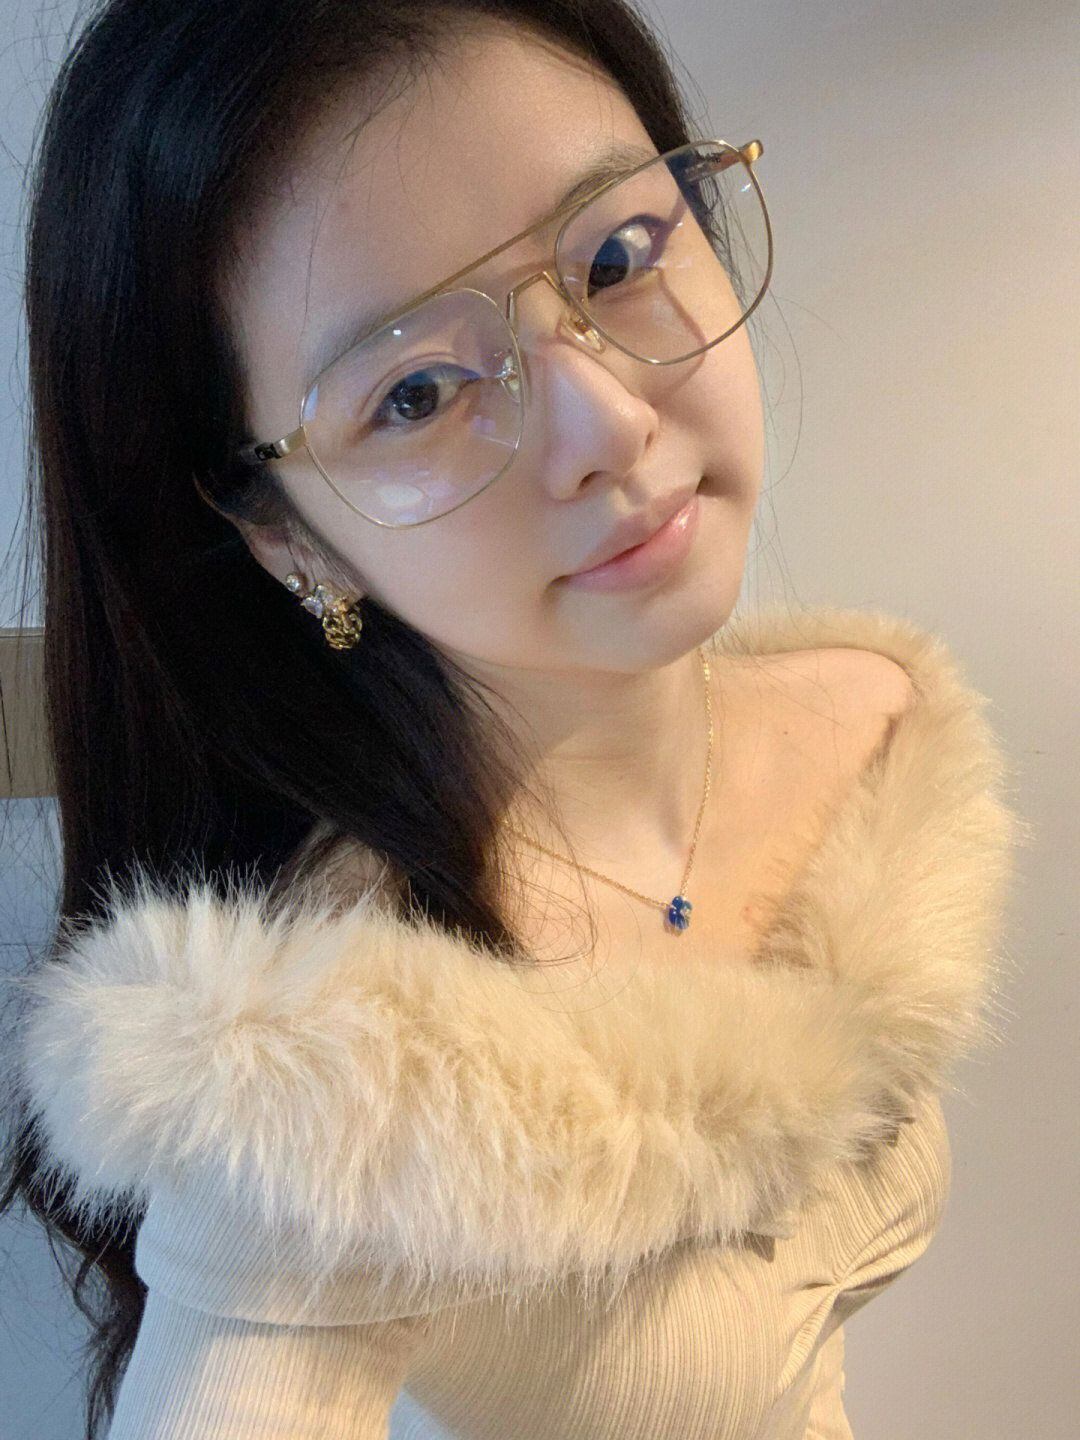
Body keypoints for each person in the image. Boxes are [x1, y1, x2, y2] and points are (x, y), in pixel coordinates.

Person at [1, 2, 1023, 1437]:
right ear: (284, 536)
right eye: (416, 392)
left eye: (615, 257)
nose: (609, 424)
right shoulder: (339, 1079)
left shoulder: (872, 728)